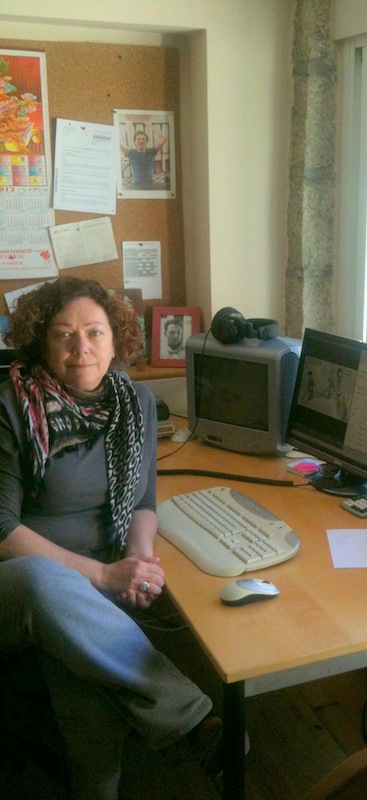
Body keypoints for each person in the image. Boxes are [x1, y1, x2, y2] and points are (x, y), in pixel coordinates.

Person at [0, 277, 222, 800]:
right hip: (20, 582)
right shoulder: (11, 407)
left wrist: (139, 562)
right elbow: (4, 532)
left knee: (81, 675)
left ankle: (97, 789)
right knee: (43, 582)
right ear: (42, 343)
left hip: (94, 582)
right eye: (64, 335)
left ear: (115, 339)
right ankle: (190, 717)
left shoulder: (135, 402)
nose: (81, 348)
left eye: (95, 333)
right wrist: (103, 575)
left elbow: (143, 502)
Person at [120, 126, 167, 190]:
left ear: (146, 141)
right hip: (137, 186)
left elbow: (163, 139)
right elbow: (118, 141)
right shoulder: (131, 153)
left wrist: (152, 126)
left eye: (143, 139)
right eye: (138, 139)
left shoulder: (151, 152)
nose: (141, 140)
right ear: (135, 142)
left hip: (151, 185)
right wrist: (125, 127)